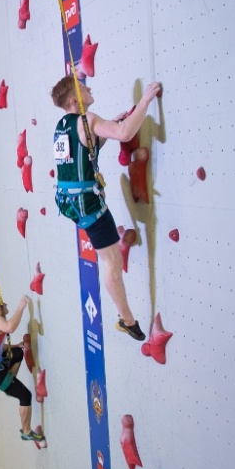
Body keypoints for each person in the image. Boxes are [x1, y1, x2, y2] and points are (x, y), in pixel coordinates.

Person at [51, 75, 162, 340]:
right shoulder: (87, 120)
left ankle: (126, 318)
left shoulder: (62, 126)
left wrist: (109, 124)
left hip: (68, 201)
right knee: (112, 261)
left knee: (110, 258)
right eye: (83, 87)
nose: (88, 88)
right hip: (87, 203)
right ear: (74, 99)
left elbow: (86, 146)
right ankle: (127, 320)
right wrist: (145, 100)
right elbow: (125, 133)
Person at [0, 294, 43, 442]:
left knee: (18, 353)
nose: (6, 305)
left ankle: (9, 383)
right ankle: (26, 432)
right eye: (2, 305)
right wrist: (21, 307)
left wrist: (15, 345)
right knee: (25, 395)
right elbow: (10, 327)